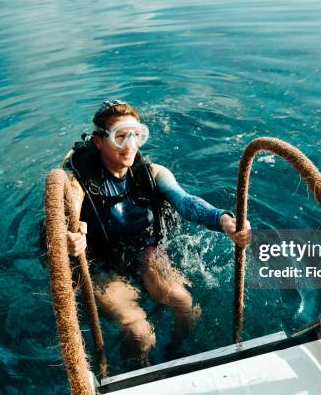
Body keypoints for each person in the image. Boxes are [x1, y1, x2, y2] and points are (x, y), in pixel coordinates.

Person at [63, 99, 250, 365]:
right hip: (99, 265)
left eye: (136, 136)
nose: (130, 146)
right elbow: (62, 220)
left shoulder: (152, 173)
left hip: (144, 251)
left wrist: (223, 220)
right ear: (98, 140)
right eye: (120, 136)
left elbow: (186, 202)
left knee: (184, 303)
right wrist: (71, 237)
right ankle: (137, 375)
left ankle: (176, 356)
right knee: (139, 332)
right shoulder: (75, 183)